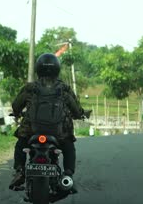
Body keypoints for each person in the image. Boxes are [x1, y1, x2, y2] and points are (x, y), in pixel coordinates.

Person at [9, 53, 90, 190]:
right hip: (59, 133)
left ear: (38, 68)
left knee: (20, 144)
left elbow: (16, 105)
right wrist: (79, 114)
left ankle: (20, 171)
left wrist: (17, 113)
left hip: (31, 131)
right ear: (57, 69)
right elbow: (76, 110)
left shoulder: (30, 87)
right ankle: (67, 176)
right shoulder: (64, 89)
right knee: (69, 147)